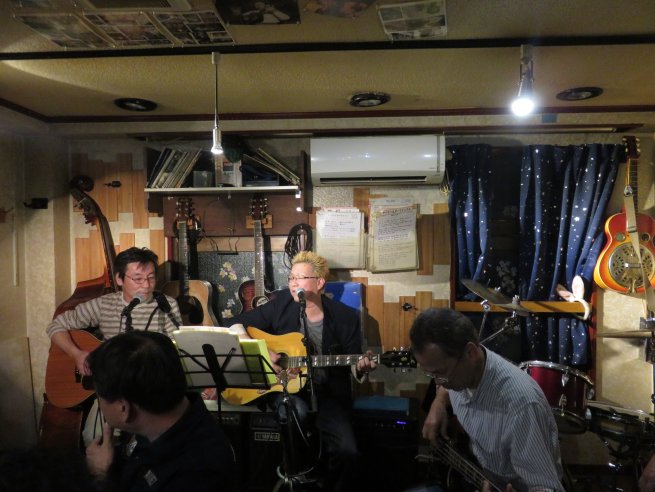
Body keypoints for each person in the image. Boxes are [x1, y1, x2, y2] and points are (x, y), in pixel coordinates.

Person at [228, 251, 377, 491]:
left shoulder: (345, 317)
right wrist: (261, 351)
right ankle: (299, 478)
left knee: (348, 451)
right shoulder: (280, 306)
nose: (293, 283)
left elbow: (354, 362)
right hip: (285, 389)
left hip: (328, 395)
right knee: (294, 411)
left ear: (319, 283)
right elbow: (233, 324)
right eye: (291, 278)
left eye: (300, 278)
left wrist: (361, 368)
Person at [409, 308, 564, 492]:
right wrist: (439, 402)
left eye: (440, 373)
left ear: (471, 353)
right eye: (431, 374)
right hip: (485, 473)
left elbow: (546, 488)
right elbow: (444, 386)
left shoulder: (522, 406)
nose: (438, 382)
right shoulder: (460, 375)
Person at [84, 330, 235, 492]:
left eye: (99, 396)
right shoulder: (156, 420)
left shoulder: (198, 472)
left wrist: (102, 475)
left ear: (123, 409)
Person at [46, 247, 181, 376]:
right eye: (138, 279)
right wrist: (76, 354)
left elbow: (178, 348)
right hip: (110, 382)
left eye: (151, 277)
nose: (146, 285)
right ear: (119, 279)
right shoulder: (104, 304)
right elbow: (55, 325)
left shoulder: (167, 305)